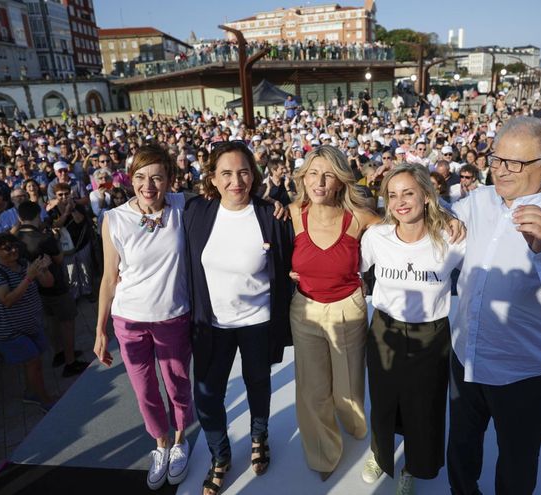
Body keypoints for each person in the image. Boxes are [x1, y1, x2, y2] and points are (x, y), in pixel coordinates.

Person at [448, 117, 541, 495]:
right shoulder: (480, 199)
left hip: (524, 373)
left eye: (514, 163)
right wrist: (442, 217)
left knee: (517, 461)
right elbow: (445, 216)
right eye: (496, 159)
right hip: (466, 355)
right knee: (461, 447)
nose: (501, 171)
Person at [184, 141, 293, 495]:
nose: (236, 181)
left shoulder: (271, 214)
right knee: (207, 394)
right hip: (212, 324)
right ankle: (220, 454)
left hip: (258, 321)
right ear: (212, 178)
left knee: (258, 383)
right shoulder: (195, 212)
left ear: (254, 175)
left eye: (243, 171)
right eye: (226, 173)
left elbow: (289, 260)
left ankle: (259, 437)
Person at [359, 164, 464, 493]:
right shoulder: (377, 236)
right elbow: (352, 269)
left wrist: (449, 215)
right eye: (392, 195)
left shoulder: (452, 238)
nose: (400, 202)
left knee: (425, 406)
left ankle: (414, 467)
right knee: (384, 398)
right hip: (384, 329)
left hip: (431, 334)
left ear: (426, 196)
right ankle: (380, 454)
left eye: (408, 193)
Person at [93, 145, 193, 490]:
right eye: (140, 177)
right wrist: (100, 330)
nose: (148, 185)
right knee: (145, 390)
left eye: (156, 177)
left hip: (173, 316)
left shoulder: (182, 206)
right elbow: (109, 278)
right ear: (130, 179)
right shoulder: (114, 219)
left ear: (169, 180)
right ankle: (161, 443)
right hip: (129, 319)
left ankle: (181, 441)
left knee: (177, 384)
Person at [287, 145, 380, 481]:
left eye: (328, 174)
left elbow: (401, 235)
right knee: (313, 389)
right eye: (313, 173)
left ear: (341, 181)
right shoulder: (294, 212)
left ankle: (355, 425)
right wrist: (287, 269)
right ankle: (323, 453)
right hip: (305, 310)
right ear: (304, 178)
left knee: (349, 385)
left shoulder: (359, 218)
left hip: (348, 308)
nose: (320, 181)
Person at [0, 233, 56, 410]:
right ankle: (44, 400)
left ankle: (31, 393)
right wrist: (29, 277)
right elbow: (7, 300)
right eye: (7, 248)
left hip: (30, 324)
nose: (14, 250)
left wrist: (44, 269)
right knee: (33, 362)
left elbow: (48, 284)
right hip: (9, 330)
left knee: (32, 361)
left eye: (14, 246)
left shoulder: (24, 264)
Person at [14, 201, 88, 377]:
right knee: (67, 323)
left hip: (35, 288)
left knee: (53, 321)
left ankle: (59, 354)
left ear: (19, 217)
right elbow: (60, 259)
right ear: (37, 215)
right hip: (55, 286)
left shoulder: (16, 237)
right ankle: (70, 362)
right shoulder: (44, 238)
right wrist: (54, 238)